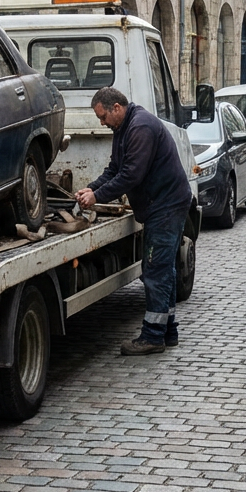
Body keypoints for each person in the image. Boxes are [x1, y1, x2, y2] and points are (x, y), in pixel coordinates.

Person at [77, 87, 193, 355]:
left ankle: (152, 336)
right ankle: (167, 331)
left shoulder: (140, 127)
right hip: (162, 204)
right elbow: (115, 169)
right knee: (164, 268)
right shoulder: (123, 128)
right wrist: (91, 188)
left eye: (103, 117)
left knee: (155, 269)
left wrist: (97, 197)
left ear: (117, 108)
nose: (102, 123)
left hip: (166, 205)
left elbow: (131, 175)